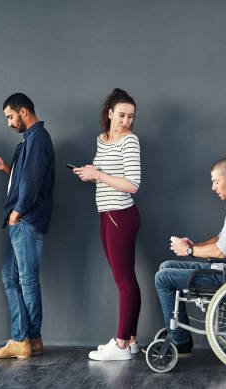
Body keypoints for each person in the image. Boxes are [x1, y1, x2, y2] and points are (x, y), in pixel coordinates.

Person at [154, 158, 226, 356]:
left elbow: (221, 251)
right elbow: (220, 239)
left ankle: (181, 341)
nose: (213, 187)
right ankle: (180, 335)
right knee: (166, 266)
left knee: (162, 278)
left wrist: (189, 252)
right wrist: (195, 246)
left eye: (215, 181)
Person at [0, 93, 55, 359]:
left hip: (25, 220)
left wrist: (17, 212)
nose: (9, 123)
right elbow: (26, 176)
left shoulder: (37, 138)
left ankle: (21, 339)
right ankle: (32, 339)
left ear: (23, 111)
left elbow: (32, 182)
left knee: (23, 280)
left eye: (10, 116)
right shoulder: (33, 140)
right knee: (17, 278)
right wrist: (6, 168)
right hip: (24, 219)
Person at [73, 88, 142, 361]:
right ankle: (132, 340)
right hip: (106, 214)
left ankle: (122, 344)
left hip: (121, 215)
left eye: (131, 116)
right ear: (110, 113)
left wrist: (98, 174)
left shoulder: (130, 141)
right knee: (126, 280)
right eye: (122, 115)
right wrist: (90, 174)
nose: (126, 121)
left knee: (124, 281)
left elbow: (132, 185)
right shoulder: (102, 140)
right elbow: (107, 175)